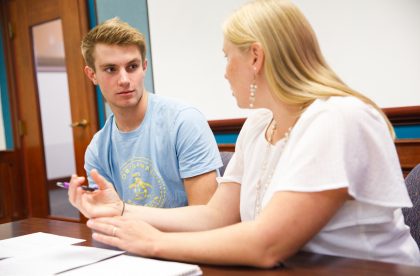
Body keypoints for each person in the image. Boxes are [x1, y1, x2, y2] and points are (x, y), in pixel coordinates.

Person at [75, 0, 420, 267]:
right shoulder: (258, 125)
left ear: (255, 57)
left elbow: (266, 245)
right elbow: (214, 217)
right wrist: (121, 210)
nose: (225, 72)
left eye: (227, 57)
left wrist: (151, 242)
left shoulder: (338, 119)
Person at [69, 17, 222, 212]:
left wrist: (122, 211)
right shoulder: (97, 150)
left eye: (132, 66)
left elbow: (206, 220)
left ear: (144, 67)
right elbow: (109, 221)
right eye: (110, 69)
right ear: (92, 75)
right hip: (130, 242)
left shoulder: (184, 122)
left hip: (186, 242)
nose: (124, 80)